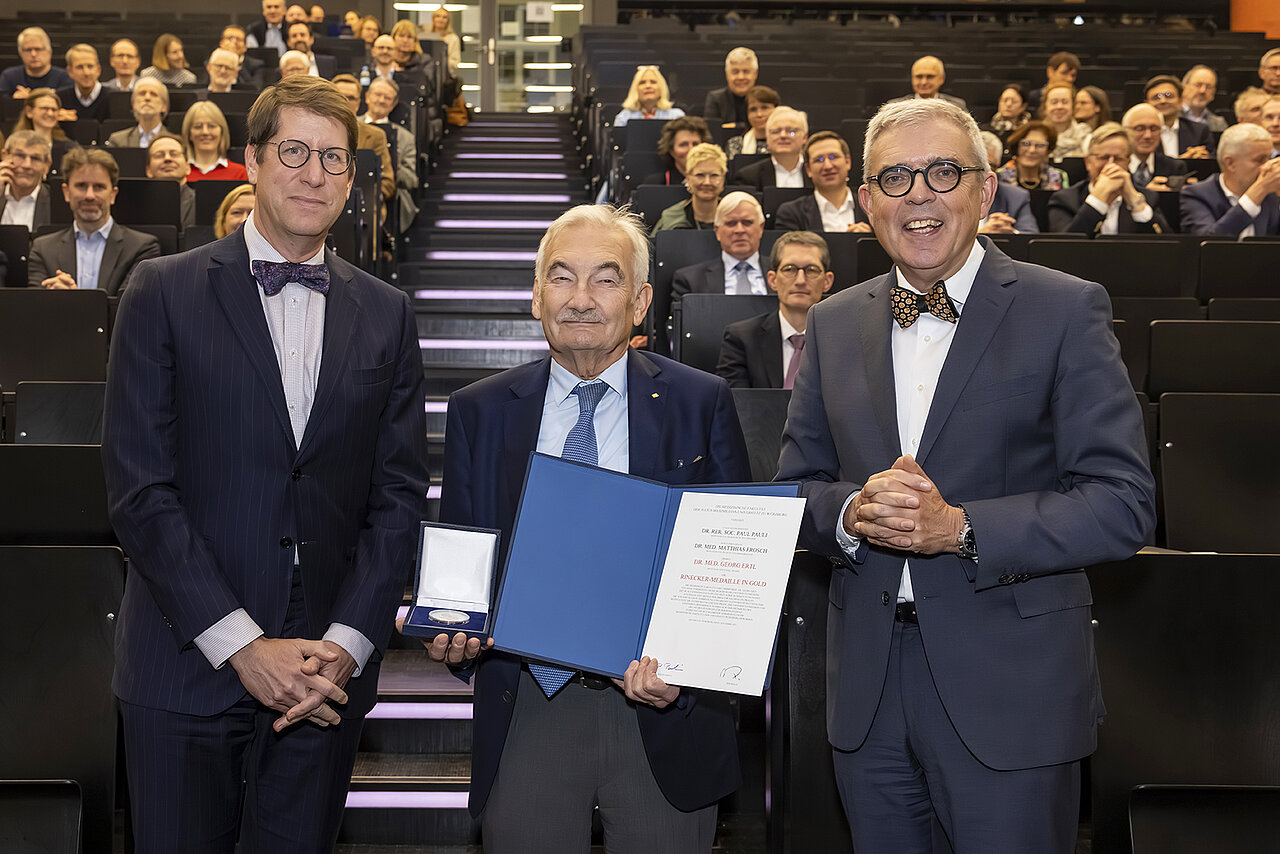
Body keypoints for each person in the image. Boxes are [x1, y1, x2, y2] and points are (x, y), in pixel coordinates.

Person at [775, 97, 1156, 854]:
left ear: (985, 190)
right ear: (865, 203)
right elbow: (795, 490)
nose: (919, 194)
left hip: (1012, 692)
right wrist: (848, 513)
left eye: (942, 171)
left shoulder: (1066, 309)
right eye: (895, 178)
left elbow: (1123, 505)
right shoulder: (832, 322)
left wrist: (962, 528)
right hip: (868, 695)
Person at [101, 74, 428, 854]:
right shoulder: (161, 289)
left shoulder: (388, 312)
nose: (315, 174)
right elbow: (140, 493)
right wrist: (244, 647)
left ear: (354, 178)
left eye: (335, 159)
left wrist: (346, 646)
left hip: (321, 682)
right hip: (186, 666)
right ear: (250, 159)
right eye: (294, 151)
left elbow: (399, 496)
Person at [422, 203, 748, 854]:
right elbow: (463, 555)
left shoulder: (700, 401)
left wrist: (688, 666)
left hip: (664, 707)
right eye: (562, 277)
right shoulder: (478, 411)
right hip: (527, 707)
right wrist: (450, 633)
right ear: (536, 294)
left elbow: (732, 568)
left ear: (640, 300)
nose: (581, 298)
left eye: (606, 278)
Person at [28, 147, 160, 294]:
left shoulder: (142, 248)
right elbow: (35, 309)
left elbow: (129, 307)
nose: (89, 195)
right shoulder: (43, 249)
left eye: (98, 187)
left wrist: (72, 299)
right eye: (81, 186)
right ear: (66, 192)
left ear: (112, 194)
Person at [716, 229, 833, 389]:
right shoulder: (741, 339)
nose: (800, 280)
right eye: (789, 269)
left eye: (811, 270)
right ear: (772, 280)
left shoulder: (843, 340)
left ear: (827, 281)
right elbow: (737, 405)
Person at [1048, 121, 1170, 236]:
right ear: (1088, 162)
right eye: (1103, 158)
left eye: (1118, 159)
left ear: (1128, 162)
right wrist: (1098, 200)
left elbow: (1167, 246)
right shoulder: (1065, 199)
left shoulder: (1148, 198)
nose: (1110, 165)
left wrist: (1135, 203)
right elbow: (1064, 246)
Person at [1180, 122, 1280, 237]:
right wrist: (1258, 192)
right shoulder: (1197, 195)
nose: (1268, 166)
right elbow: (1209, 244)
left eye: (1270, 158)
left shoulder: (1271, 196)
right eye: (1260, 160)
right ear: (1230, 163)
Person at [671, 192, 766, 308]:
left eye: (747, 223)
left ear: (761, 228)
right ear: (717, 231)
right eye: (731, 223)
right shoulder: (690, 280)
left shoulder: (785, 274)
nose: (739, 230)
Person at [775, 131, 871, 232]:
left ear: (847, 161)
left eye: (833, 157)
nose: (828, 166)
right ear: (808, 169)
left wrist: (869, 238)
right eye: (819, 160)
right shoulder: (791, 213)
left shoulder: (872, 207)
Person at [360, 76, 419, 227]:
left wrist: (395, 163)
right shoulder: (350, 125)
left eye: (387, 98)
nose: (381, 100)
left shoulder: (405, 138)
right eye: (378, 95)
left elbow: (412, 180)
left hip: (389, 199)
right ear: (367, 97)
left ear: (393, 105)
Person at [330, 74, 397, 203]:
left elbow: (388, 183)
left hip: (364, 206)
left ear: (358, 103)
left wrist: (363, 198)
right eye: (339, 96)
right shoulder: (315, 134)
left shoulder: (376, 135)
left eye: (351, 98)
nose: (345, 101)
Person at [652, 142, 725, 234]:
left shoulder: (736, 216)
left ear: (723, 179)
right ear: (688, 178)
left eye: (714, 175)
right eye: (700, 175)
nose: (707, 182)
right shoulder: (670, 217)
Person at [735, 107, 810, 190]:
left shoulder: (817, 172)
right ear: (767, 138)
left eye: (791, 131)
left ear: (804, 137)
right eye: (776, 132)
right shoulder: (748, 177)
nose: (783, 135)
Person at [1122, 103, 1191, 192]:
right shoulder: (1115, 165)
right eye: (1139, 128)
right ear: (1125, 131)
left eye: (1154, 129)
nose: (1148, 135)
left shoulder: (1175, 167)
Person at [979, 131, 1038, 233]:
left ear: (998, 168)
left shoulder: (1016, 197)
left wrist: (1010, 233)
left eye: (990, 167)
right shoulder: (948, 195)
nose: (983, 173)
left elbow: (1031, 236)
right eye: (978, 167)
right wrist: (981, 234)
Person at [1144, 74, 1214, 158]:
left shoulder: (1199, 132)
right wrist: (1180, 162)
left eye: (1168, 96)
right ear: (1146, 104)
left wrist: (1203, 157)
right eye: (1156, 97)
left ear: (1180, 101)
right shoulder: (1140, 134)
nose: (1163, 101)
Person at [183, 101, 249, 182]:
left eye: (212, 126)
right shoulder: (179, 172)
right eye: (198, 127)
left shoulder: (240, 173)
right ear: (189, 134)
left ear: (221, 132)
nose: (205, 132)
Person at [0, 130, 53, 231]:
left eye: (35, 158)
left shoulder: (56, 203)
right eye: (20, 156)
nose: (27, 165)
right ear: (5, 156)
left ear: (46, 165)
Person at [0, 27, 72, 98]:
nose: (33, 54)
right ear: (21, 53)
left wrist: (29, 100)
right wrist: (14, 102)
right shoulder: (8, 77)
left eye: (38, 49)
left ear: (49, 51)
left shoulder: (65, 77)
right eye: (28, 50)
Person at [641, 116, 711, 187]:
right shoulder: (656, 184)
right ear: (671, 151)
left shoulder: (717, 183)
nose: (691, 150)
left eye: (695, 144)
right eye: (683, 144)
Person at [146, 135, 196, 231]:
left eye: (174, 154)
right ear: (149, 171)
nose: (167, 159)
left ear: (188, 167)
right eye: (159, 155)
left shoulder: (201, 201)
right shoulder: (137, 205)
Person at [998, 121, 1065, 191]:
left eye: (1040, 145)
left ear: (1048, 150)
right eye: (1026, 144)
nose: (1032, 150)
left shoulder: (1058, 177)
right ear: (1016, 146)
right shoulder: (999, 176)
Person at [105, 78, 170, 149]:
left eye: (153, 94)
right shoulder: (118, 141)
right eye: (142, 93)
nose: (147, 98)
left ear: (164, 106)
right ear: (134, 105)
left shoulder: (173, 141)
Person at [704, 47, 758, 130]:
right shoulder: (715, 98)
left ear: (755, 74)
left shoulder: (766, 99)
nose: (741, 77)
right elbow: (712, 131)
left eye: (746, 72)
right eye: (735, 72)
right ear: (727, 74)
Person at [613, 66, 684, 127]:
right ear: (635, 90)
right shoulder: (624, 117)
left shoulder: (676, 117)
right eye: (642, 82)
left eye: (653, 82)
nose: (648, 86)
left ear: (661, 88)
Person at [888, 56, 966, 109]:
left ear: (941, 79)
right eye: (919, 77)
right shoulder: (895, 106)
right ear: (912, 78)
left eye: (930, 77)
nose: (924, 82)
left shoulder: (957, 106)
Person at [58, 45, 110, 122]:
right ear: (70, 71)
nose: (86, 73)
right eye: (80, 67)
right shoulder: (59, 98)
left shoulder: (113, 97)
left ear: (98, 70)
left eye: (90, 66)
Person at [726, 85, 778, 159]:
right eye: (753, 109)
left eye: (764, 108)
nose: (759, 114)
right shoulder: (735, 145)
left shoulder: (785, 142)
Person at [1039, 82, 1089, 158]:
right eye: (1054, 102)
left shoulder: (1084, 134)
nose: (1059, 106)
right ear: (1045, 107)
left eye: (1065, 102)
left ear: (1073, 106)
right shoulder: (1035, 134)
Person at [1181, 65, 1228, 132]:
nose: (1202, 91)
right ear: (1184, 88)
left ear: (1213, 93)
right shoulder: (1169, 117)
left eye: (1208, 87)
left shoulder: (1219, 124)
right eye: (1198, 85)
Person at [221, 26, 265, 90]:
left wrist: (237, 62)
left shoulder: (257, 65)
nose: (234, 42)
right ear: (221, 44)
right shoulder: (212, 62)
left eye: (238, 39)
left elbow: (256, 88)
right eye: (230, 38)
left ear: (245, 46)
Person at [423, 6, 461, 77]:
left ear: (448, 20)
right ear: (433, 19)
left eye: (444, 17)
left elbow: (455, 62)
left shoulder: (453, 39)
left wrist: (441, 62)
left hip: (445, 75)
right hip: (426, 74)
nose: (441, 19)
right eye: (438, 16)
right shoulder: (426, 37)